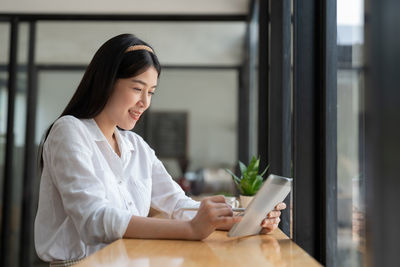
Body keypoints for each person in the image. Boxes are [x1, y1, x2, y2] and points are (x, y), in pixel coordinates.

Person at [34, 33, 286, 265]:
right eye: (137, 88)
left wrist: (248, 218)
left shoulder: (136, 146)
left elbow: (178, 205)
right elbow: (93, 220)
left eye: (151, 92)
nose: (145, 103)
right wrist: (190, 230)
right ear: (107, 82)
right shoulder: (69, 131)